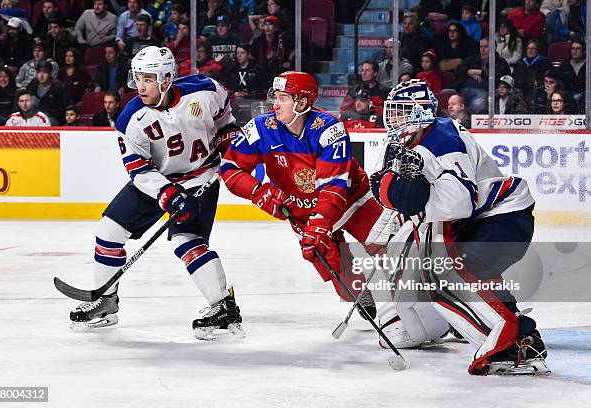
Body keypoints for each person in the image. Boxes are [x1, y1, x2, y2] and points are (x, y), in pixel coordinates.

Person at [370, 79, 548, 376]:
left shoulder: (442, 139)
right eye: (393, 111)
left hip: (501, 215)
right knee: (418, 264)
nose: (394, 119)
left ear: (421, 112)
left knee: (450, 271)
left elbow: (459, 205)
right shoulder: (403, 142)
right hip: (471, 221)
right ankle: (458, 322)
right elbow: (383, 189)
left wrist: (416, 199)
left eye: (401, 112)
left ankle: (517, 342)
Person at [68, 46, 245, 341]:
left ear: (166, 79)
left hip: (200, 177)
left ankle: (223, 308)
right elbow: (139, 170)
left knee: (187, 241)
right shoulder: (131, 119)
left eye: (148, 78)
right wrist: (167, 194)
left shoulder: (205, 89)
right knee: (109, 232)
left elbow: (224, 118)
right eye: (137, 78)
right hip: (156, 180)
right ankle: (106, 302)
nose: (140, 86)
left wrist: (228, 136)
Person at [220, 71, 403, 319]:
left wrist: (320, 221)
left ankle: (433, 304)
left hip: (352, 201)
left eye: (283, 98)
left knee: (391, 249)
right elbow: (230, 168)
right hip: (303, 214)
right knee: (334, 268)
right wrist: (258, 193)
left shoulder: (329, 127)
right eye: (276, 97)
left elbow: (334, 184)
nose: (275, 104)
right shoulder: (261, 128)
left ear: (302, 102)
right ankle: (360, 295)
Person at [26, 61, 68, 125]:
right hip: (34, 115)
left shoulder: (57, 86)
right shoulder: (34, 83)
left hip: (51, 117)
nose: (41, 75)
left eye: (45, 72)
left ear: (50, 73)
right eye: (39, 72)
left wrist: (44, 115)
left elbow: (61, 109)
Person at [558, 38, 586, 111]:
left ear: (584, 51)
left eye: (578, 49)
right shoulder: (564, 65)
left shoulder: (588, 65)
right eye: (573, 48)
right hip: (568, 96)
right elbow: (560, 84)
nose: (575, 51)